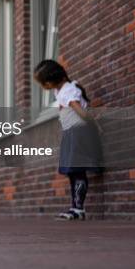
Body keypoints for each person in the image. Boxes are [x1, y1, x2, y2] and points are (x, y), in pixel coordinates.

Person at [33, 59, 103, 221]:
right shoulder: (61, 90)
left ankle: (79, 209)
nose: (45, 87)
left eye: (45, 83)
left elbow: (80, 111)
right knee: (72, 172)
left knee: (78, 171)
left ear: (52, 80)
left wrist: (95, 125)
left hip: (79, 133)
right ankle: (75, 207)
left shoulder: (69, 90)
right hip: (71, 133)